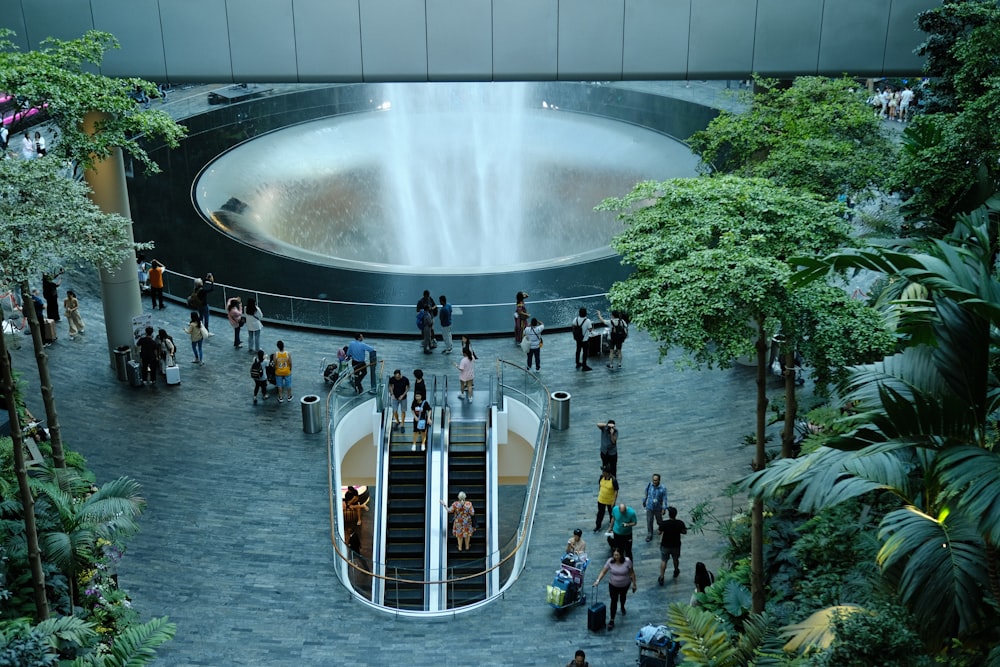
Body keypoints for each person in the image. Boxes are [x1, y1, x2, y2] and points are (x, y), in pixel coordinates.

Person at [591, 547, 636, 630]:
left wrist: (634, 584)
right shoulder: (610, 561)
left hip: (624, 585)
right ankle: (612, 619)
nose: (615, 557)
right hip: (613, 585)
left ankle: (622, 606)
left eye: (617, 555)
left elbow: (632, 572)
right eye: (614, 555)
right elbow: (603, 571)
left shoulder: (627, 561)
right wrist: (598, 580)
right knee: (613, 601)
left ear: (621, 555)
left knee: (623, 597)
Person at [657, 506, 688, 585]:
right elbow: (684, 531)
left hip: (665, 545)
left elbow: (659, 532)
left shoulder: (664, 523)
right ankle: (676, 570)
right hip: (676, 545)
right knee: (675, 559)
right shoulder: (680, 523)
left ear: (669, 515)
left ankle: (662, 576)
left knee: (664, 560)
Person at [643, 473, 668, 542]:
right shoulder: (649, 485)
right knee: (649, 521)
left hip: (658, 508)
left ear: (659, 480)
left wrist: (664, 508)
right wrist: (644, 501)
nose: (654, 482)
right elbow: (646, 492)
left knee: (659, 521)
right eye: (653, 480)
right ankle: (649, 534)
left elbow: (665, 498)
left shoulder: (663, 488)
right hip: (650, 507)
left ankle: (661, 530)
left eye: (656, 480)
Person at [594, 466, 618, 533]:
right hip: (601, 499)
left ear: (607, 473)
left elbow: (616, 490)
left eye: (604, 471)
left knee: (611, 514)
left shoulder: (613, 480)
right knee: (600, 513)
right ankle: (598, 526)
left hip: (610, 501)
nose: (602, 473)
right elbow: (600, 485)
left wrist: (614, 501)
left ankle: (612, 526)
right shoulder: (601, 477)